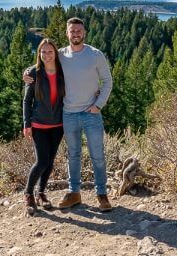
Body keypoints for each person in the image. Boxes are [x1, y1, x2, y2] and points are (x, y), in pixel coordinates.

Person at [24, 17, 113, 212]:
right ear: (67, 33)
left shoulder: (95, 55)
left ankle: (102, 194)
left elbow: (107, 81)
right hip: (68, 114)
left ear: (84, 33)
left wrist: (98, 105)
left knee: (97, 156)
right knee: (73, 155)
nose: (75, 34)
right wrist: (27, 73)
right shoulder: (61, 55)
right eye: (72, 31)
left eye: (79, 31)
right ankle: (74, 193)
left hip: (91, 114)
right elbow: (42, 63)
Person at [22, 38, 66, 214]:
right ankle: (28, 194)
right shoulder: (34, 72)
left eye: (50, 51)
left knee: (50, 162)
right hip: (39, 124)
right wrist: (26, 124)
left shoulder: (63, 71)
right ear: (39, 54)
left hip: (58, 124)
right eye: (43, 52)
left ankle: (41, 192)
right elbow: (27, 101)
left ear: (55, 53)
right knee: (41, 161)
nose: (46, 55)